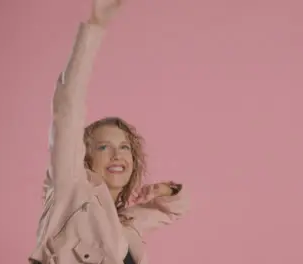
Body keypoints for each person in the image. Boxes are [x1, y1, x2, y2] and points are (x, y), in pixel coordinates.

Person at [28, 1, 189, 263]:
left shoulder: (128, 221)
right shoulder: (71, 190)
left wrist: (165, 190)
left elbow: (175, 210)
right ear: (85, 157)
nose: (117, 154)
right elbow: (67, 109)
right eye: (104, 147)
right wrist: (95, 26)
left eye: (125, 147)